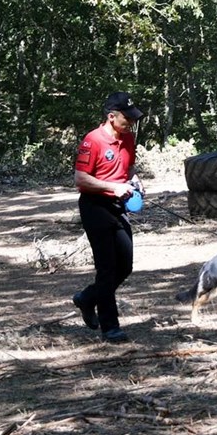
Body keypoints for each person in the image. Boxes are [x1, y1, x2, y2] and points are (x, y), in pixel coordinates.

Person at [72, 92, 145, 343]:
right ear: (111, 117)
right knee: (107, 268)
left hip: (119, 205)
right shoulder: (93, 140)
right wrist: (112, 187)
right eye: (127, 119)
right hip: (95, 206)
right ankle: (110, 327)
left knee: (125, 266)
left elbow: (129, 167)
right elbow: (80, 180)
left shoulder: (128, 138)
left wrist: (134, 181)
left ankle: (87, 298)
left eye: (133, 119)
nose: (131, 124)